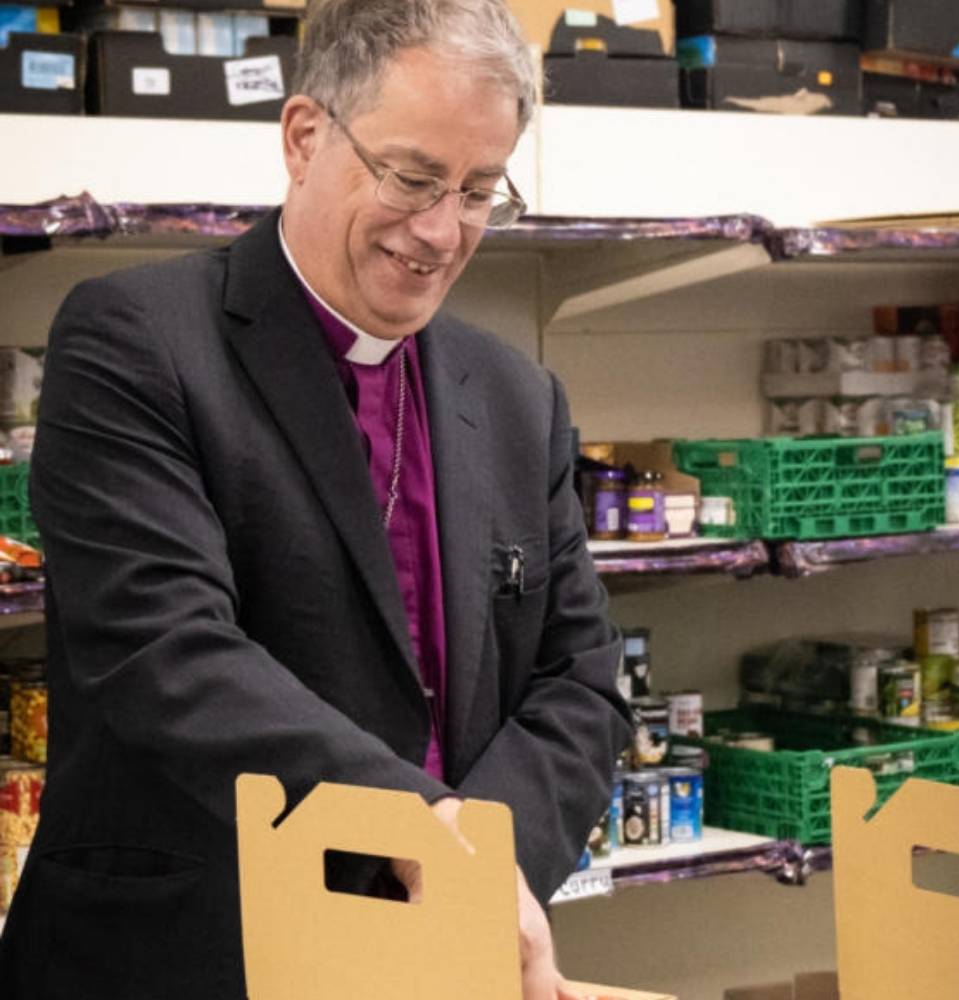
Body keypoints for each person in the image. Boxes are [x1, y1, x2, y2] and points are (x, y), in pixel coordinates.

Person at [0, 1, 631, 997]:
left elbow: (580, 681)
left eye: (477, 190)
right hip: (190, 955)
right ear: (302, 137)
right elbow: (167, 652)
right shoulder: (136, 341)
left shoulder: (516, 396)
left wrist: (476, 870)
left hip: (435, 954)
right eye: (412, 177)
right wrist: (419, 828)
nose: (439, 231)